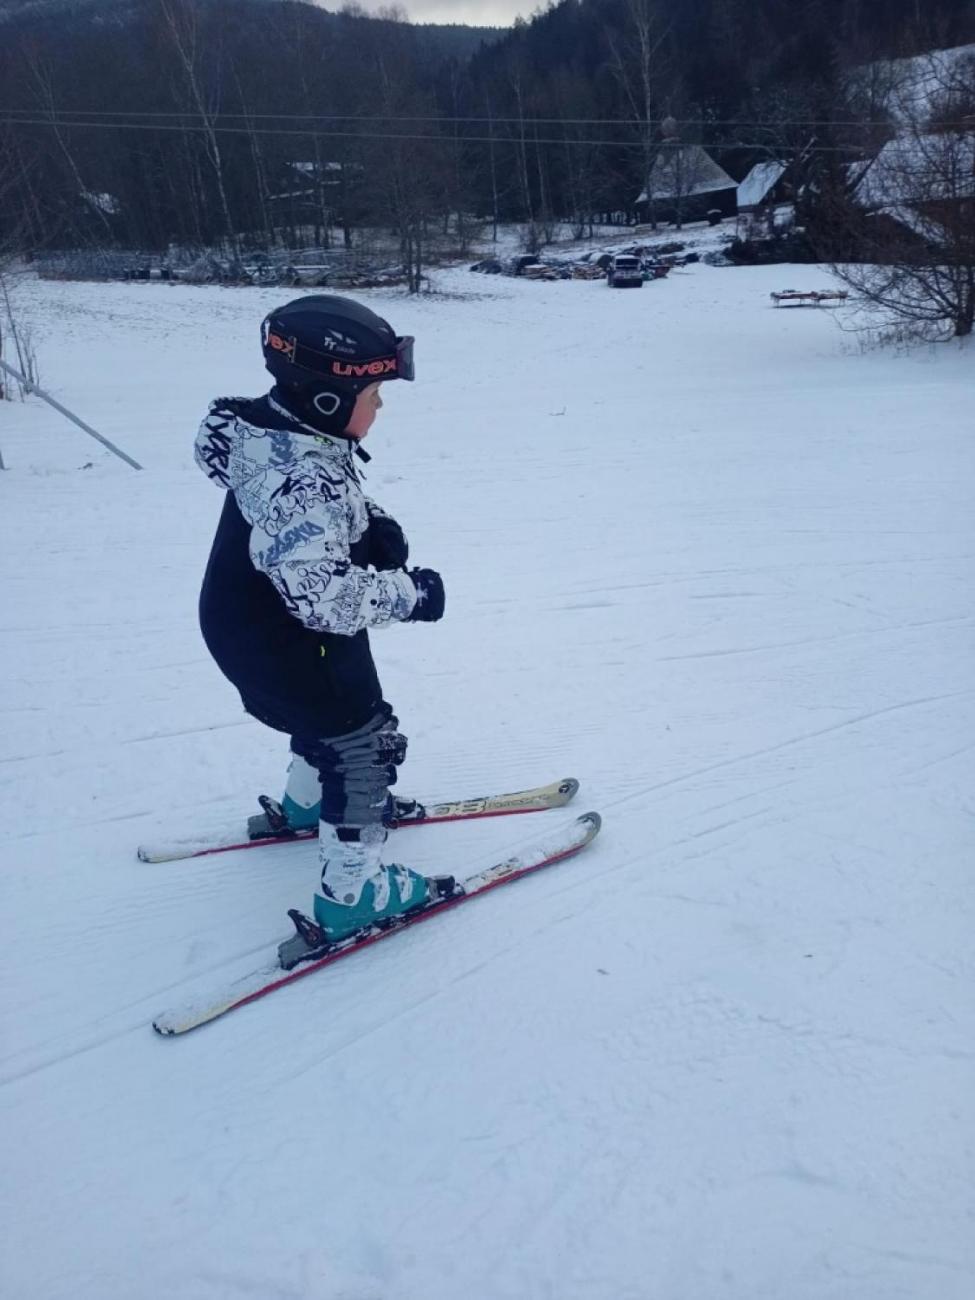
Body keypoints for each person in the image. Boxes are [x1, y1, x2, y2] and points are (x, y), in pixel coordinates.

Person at [194, 294, 446, 942]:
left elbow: (307, 504)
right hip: (297, 638)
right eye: (375, 393)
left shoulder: (273, 431)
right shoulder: (307, 479)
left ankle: (309, 804)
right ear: (329, 399)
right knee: (358, 742)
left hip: (245, 624)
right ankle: (352, 893)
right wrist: (409, 595)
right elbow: (327, 599)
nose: (382, 405)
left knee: (319, 720)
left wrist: (369, 523)